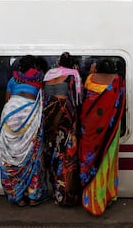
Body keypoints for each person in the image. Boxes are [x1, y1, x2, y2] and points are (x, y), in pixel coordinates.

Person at [0, 55, 49, 207]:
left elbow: (7, 101)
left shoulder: (12, 80)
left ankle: (17, 197)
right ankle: (34, 196)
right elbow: (43, 99)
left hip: (10, 114)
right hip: (30, 114)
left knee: (11, 154)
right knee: (33, 155)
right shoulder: (39, 78)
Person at [79, 58, 126, 216]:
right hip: (110, 129)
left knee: (92, 159)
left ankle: (93, 200)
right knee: (107, 161)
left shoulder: (90, 79)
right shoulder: (117, 81)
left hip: (91, 126)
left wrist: (92, 71)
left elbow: (86, 93)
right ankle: (107, 195)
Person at [43, 52, 82, 205]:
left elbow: (45, 96)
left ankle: (54, 189)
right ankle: (64, 195)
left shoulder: (48, 74)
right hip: (64, 116)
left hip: (48, 115)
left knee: (51, 152)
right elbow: (76, 99)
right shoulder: (73, 75)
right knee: (65, 154)